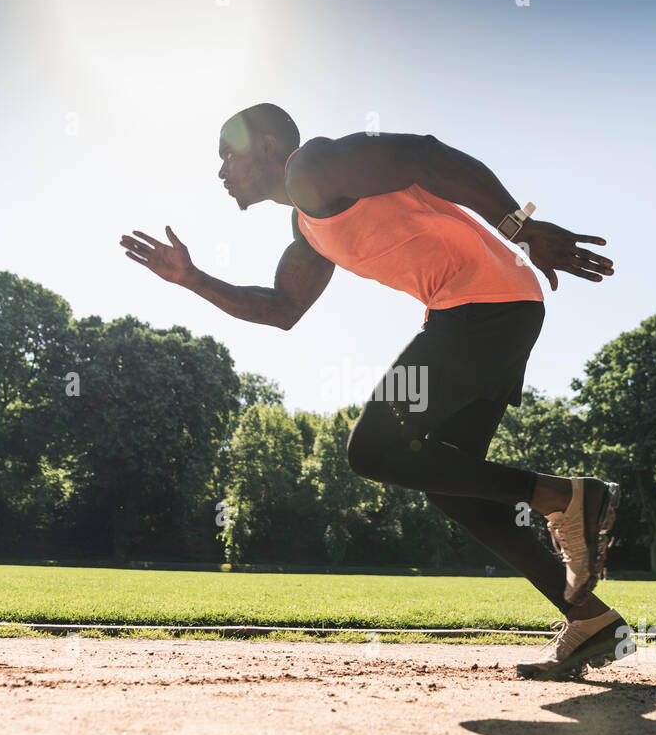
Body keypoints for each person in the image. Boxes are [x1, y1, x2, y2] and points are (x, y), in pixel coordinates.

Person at [119, 103, 625, 680]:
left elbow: (425, 155)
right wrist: (193, 279)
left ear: (263, 146)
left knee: (373, 448)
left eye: (227, 155)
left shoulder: (312, 167)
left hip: (482, 309)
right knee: (451, 484)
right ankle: (588, 619)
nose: (221, 172)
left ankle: (566, 498)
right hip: (489, 310)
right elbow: (285, 309)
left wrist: (520, 227)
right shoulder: (306, 220)